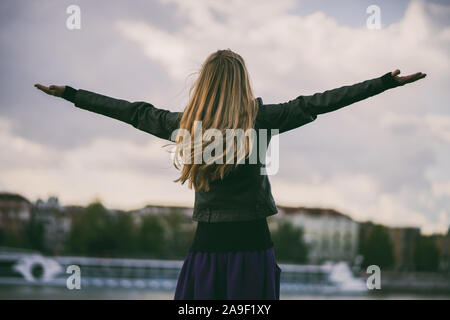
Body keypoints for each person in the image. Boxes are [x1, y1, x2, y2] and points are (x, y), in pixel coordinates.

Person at [35, 49, 426, 300]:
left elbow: (131, 111)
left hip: (205, 250)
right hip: (254, 250)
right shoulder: (263, 120)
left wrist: (72, 94)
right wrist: (385, 83)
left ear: (204, 85)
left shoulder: (184, 127)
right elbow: (322, 102)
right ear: (242, 83)